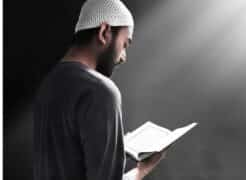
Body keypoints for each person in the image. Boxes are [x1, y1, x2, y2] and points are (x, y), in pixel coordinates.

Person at [33, 0, 165, 180]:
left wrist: (139, 169)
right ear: (104, 32)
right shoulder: (100, 91)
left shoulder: (48, 85)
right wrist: (141, 170)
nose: (123, 57)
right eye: (125, 44)